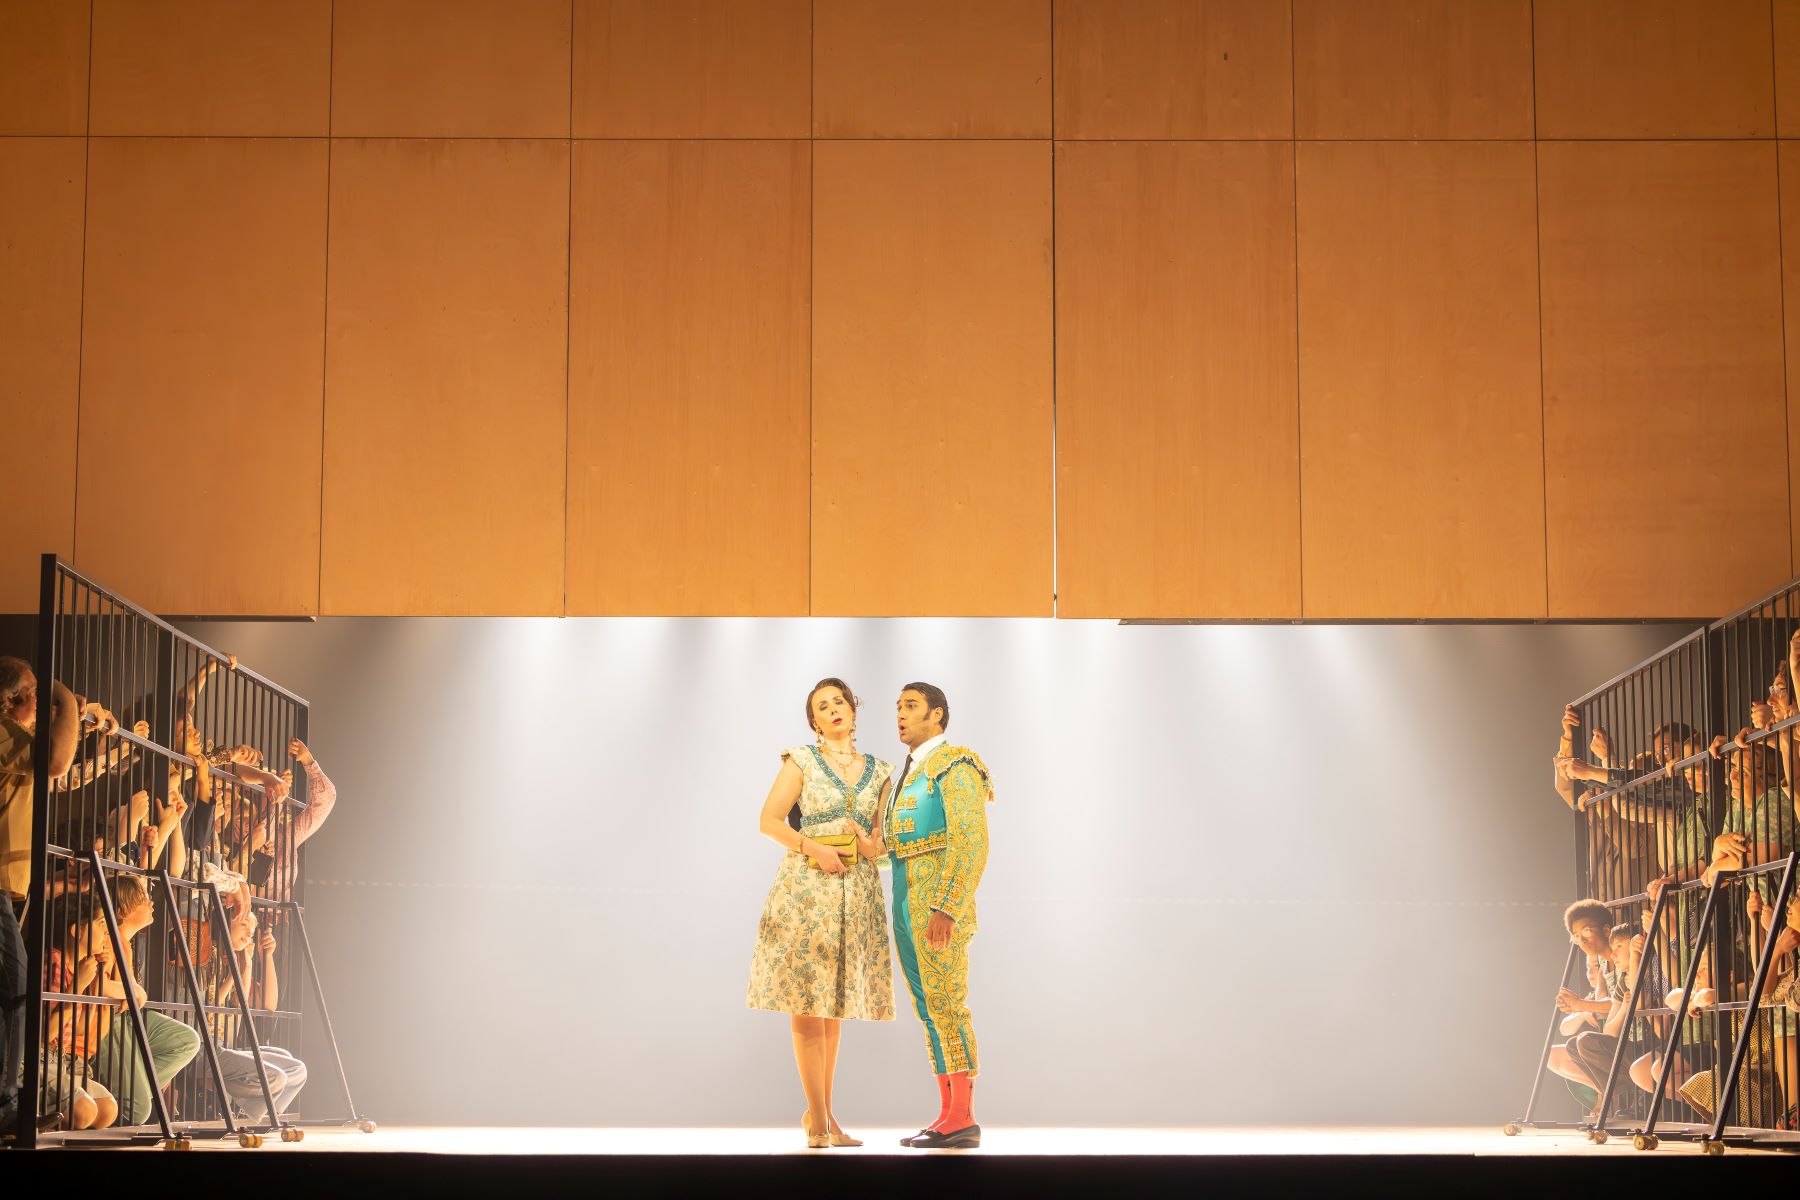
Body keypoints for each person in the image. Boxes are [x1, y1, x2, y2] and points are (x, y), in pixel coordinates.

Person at [748, 678, 895, 1149]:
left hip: (856, 891)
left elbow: (883, 842)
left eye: (839, 702)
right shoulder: (802, 760)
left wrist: (873, 848)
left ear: (854, 711)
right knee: (809, 1003)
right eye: (822, 707)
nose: (833, 710)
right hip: (809, 888)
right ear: (814, 722)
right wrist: (814, 848)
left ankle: (823, 1114)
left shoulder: (881, 770)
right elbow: (769, 820)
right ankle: (819, 1121)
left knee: (833, 1009)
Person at [0, 656, 117, 1132]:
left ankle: (6, 1101)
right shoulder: (3, 732)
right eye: (37, 695)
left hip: (9, 888)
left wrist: (90, 733)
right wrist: (67, 697)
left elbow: (63, 772)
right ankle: (6, 1104)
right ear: (12, 699)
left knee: (11, 989)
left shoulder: (15, 741)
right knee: (17, 985)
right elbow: (55, 762)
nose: (44, 705)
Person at [886, 682, 992, 1150]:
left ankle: (964, 1117)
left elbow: (971, 839)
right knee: (929, 1005)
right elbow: (899, 845)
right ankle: (948, 1112)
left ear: (938, 715)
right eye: (898, 707)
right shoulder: (909, 775)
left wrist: (947, 905)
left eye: (911, 706)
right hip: (906, 900)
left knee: (947, 1000)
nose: (901, 715)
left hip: (935, 905)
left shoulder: (955, 763)